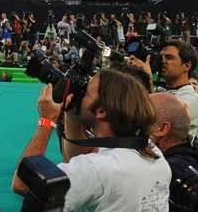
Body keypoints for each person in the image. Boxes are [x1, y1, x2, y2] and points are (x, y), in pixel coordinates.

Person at [11, 68, 171, 211]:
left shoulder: (96, 170)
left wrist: (46, 121)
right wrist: (73, 112)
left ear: (101, 111)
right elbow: (78, 157)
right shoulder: (152, 151)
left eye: (85, 92)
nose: (80, 95)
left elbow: (23, 183)